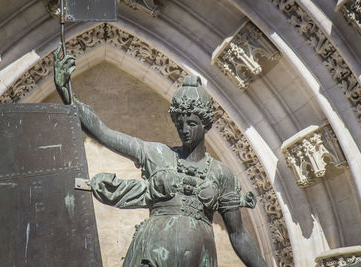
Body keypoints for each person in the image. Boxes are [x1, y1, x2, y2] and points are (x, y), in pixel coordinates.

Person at [53, 44, 268, 267]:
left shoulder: (222, 174)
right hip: (152, 252)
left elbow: (238, 235)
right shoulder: (156, 153)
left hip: (198, 258)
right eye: (179, 123)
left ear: (206, 126)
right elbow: (104, 133)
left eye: (192, 123)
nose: (184, 129)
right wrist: (67, 94)